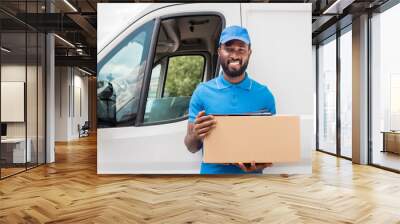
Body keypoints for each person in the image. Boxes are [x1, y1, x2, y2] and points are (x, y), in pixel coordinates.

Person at [184, 25, 276, 174]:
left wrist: (262, 163)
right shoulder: (202, 92)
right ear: (219, 51)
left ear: (249, 53)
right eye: (229, 49)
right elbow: (191, 147)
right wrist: (195, 134)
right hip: (211, 183)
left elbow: (269, 147)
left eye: (241, 49)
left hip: (251, 185)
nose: (235, 55)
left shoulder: (265, 95)